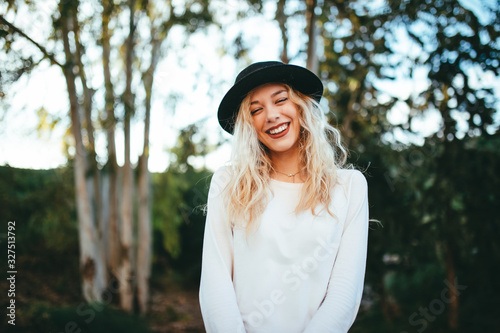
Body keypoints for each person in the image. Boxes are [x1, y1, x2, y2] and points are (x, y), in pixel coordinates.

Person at [199, 61, 369, 333]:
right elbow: (216, 284)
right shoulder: (229, 183)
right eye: (256, 110)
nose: (272, 115)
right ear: (248, 124)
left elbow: (343, 296)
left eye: (281, 100)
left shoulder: (349, 187)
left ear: (301, 106)